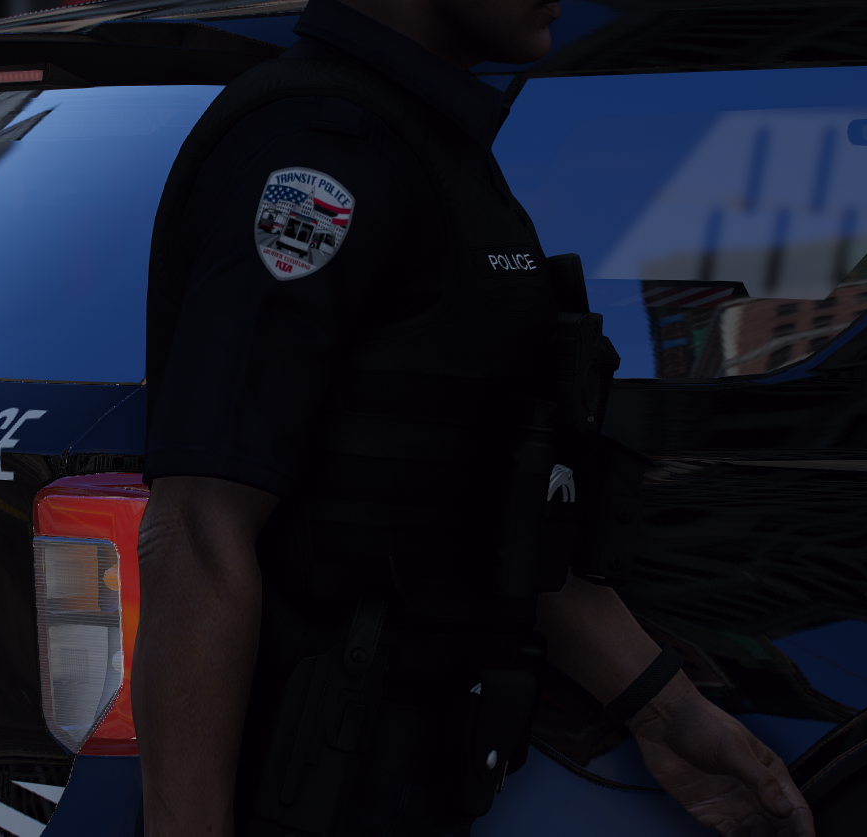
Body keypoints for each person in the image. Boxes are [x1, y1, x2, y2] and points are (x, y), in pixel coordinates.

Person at [133, 1, 817, 835]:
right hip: (312, 790)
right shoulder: (321, 151)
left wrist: (664, 710)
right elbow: (196, 530)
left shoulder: (428, 146)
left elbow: (481, 504)